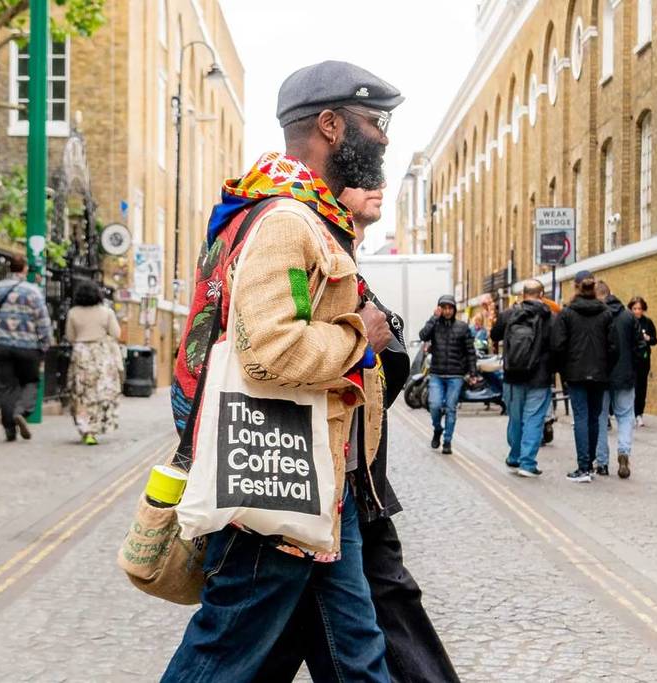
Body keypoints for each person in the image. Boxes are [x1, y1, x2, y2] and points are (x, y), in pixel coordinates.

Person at [163, 60, 403, 683]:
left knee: (358, 655)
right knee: (220, 655)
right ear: (330, 125)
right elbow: (268, 348)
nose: (383, 138)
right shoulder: (286, 222)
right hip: (275, 478)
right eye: (374, 122)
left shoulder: (302, 213)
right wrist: (362, 337)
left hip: (318, 482)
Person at [256, 187, 460, 683]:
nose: (377, 183)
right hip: (306, 485)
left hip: (355, 487)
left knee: (345, 633)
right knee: (247, 643)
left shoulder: (346, 265)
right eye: (361, 176)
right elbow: (277, 356)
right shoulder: (301, 249)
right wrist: (361, 342)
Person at [551, 271, 617, 483]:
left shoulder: (567, 313)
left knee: (581, 417)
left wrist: (565, 370)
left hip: (576, 374)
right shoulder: (606, 313)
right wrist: (606, 368)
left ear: (576, 287)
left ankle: (583, 467)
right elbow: (614, 347)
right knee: (595, 417)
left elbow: (558, 346)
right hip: (599, 374)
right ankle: (589, 465)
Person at [0, 254, 52, 442]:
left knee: (6, 387)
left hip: (1, 345)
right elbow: (43, 321)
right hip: (27, 347)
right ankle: (21, 411)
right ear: (25, 269)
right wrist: (45, 344)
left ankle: (9, 430)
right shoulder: (33, 291)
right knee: (30, 382)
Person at [490, 279, 553, 478]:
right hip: (540, 377)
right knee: (533, 419)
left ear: (523, 294)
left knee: (515, 419)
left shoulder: (509, 314)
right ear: (541, 295)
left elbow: (494, 335)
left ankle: (515, 456)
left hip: (512, 375)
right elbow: (558, 345)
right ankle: (527, 463)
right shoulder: (549, 316)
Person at [595, 282, 647, 479]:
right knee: (625, 417)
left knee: (600, 418)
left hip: (601, 376)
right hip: (625, 376)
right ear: (612, 293)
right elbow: (640, 346)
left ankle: (601, 462)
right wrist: (633, 366)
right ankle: (624, 451)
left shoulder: (598, 317)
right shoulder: (628, 316)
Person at [64, 280, 122, 445]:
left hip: (81, 354)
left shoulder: (73, 312)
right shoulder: (106, 312)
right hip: (101, 355)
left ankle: (85, 429)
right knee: (100, 393)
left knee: (82, 394)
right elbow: (116, 333)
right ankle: (95, 428)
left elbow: (70, 336)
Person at [419, 294, 476, 455]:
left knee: (451, 409)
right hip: (437, 374)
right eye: (444, 307)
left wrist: (472, 373)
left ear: (454, 309)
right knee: (435, 406)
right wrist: (433, 318)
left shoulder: (463, 327)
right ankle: (437, 429)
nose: (447, 311)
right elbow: (423, 335)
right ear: (439, 309)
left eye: (450, 307)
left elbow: (470, 352)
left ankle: (447, 441)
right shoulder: (435, 325)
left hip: (456, 376)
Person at [629, 296, 657, 426]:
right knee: (632, 386)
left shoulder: (648, 322)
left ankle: (639, 413)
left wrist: (648, 338)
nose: (637, 311)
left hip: (644, 359)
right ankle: (631, 413)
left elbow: (655, 340)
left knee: (642, 387)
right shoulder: (628, 322)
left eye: (639, 308)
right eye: (634, 308)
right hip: (631, 359)